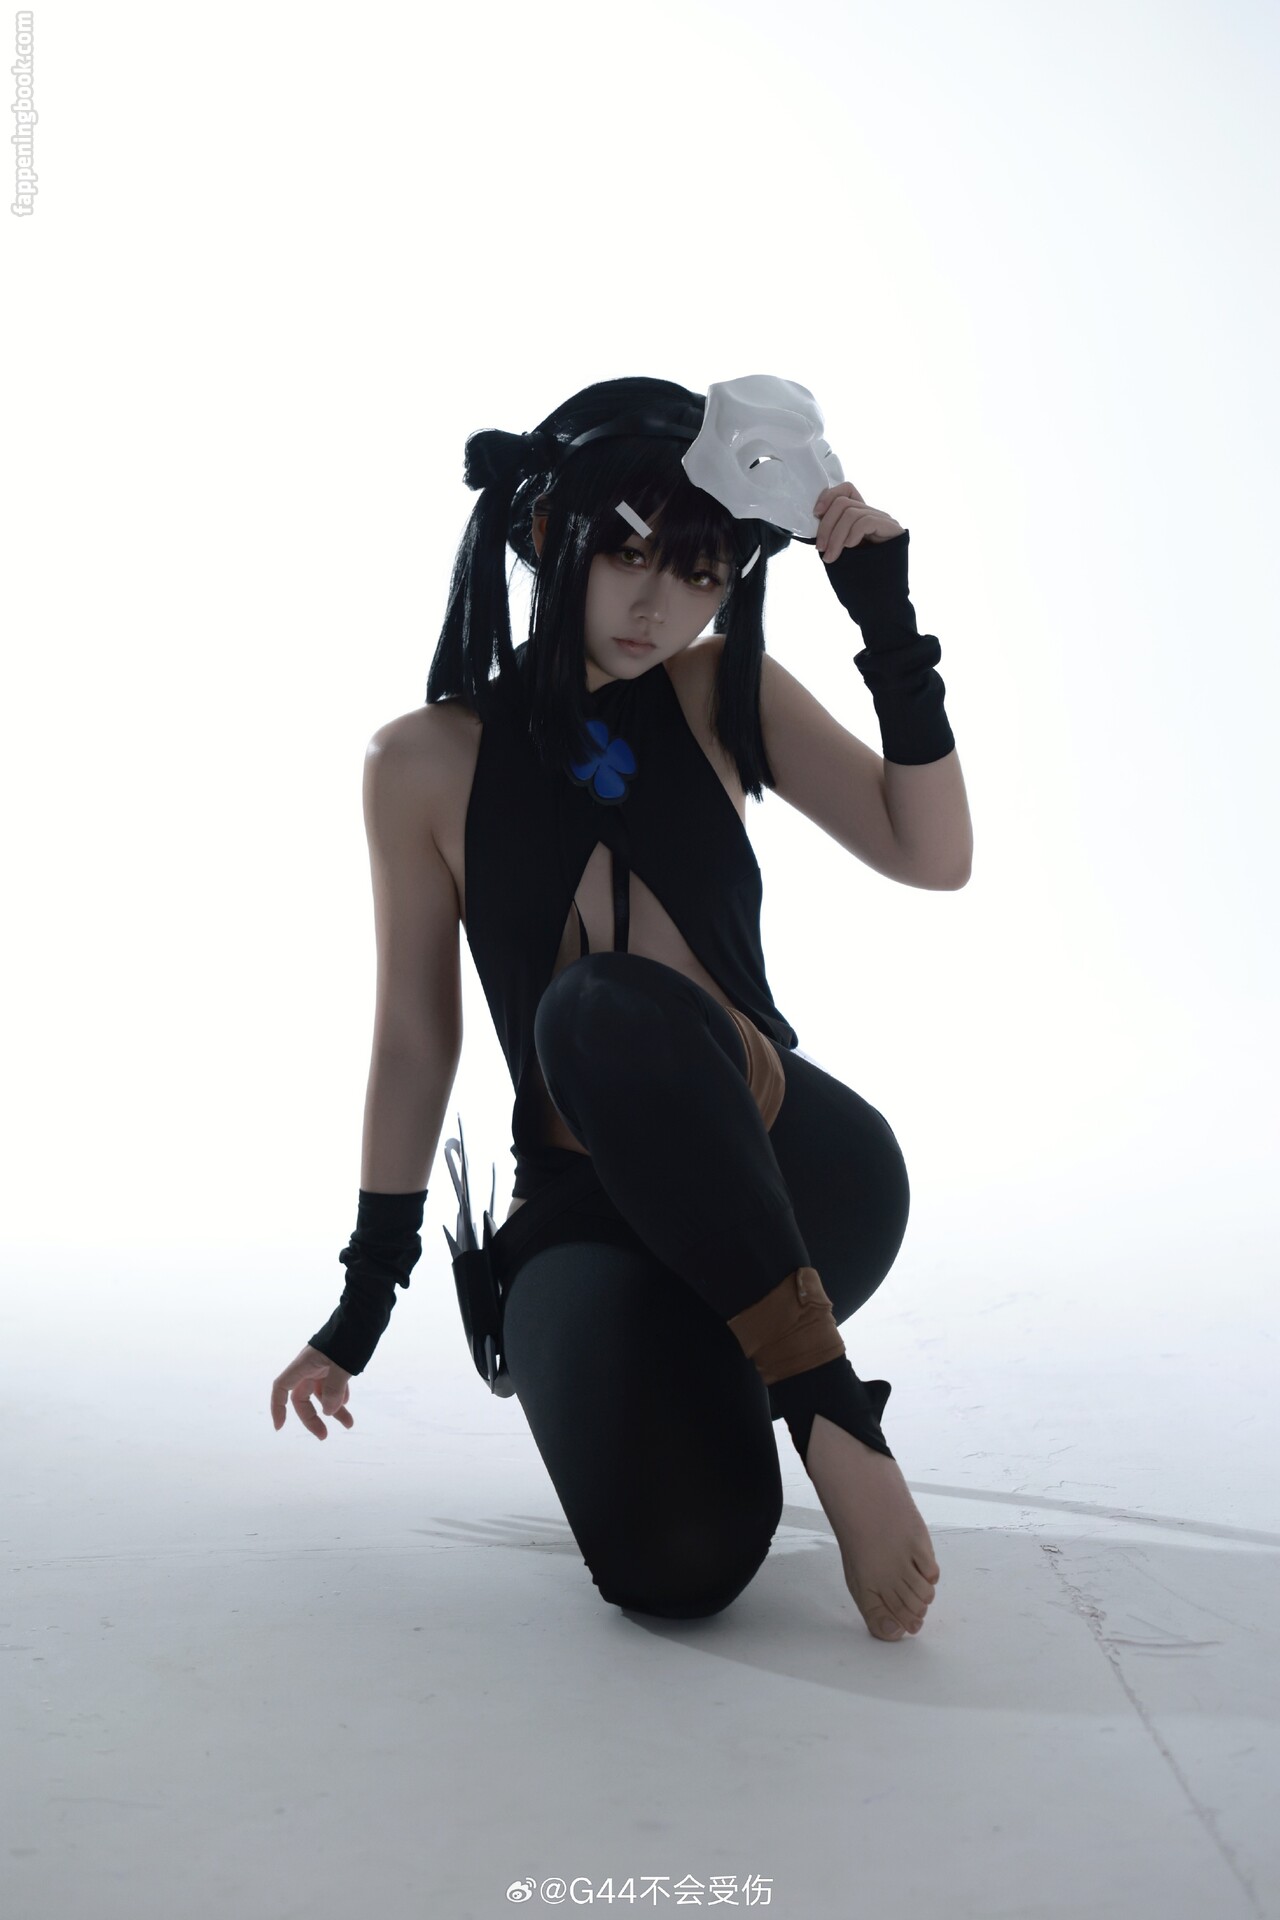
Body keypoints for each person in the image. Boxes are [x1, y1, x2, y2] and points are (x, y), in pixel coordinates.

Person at [270, 375, 973, 1641]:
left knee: (600, 1007)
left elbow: (932, 856)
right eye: (627, 557)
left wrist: (885, 620)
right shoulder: (421, 762)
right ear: (549, 535)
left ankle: (826, 1414)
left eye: (701, 574)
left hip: (792, 1166)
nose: (659, 607)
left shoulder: (719, 692)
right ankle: (728, 1356)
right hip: (585, 1214)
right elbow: (415, 1040)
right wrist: (363, 1301)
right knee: (676, 1571)